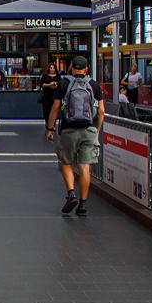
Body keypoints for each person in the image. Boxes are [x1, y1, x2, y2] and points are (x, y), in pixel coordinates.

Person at [46, 55, 105, 217]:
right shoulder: (94, 85)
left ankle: (71, 194)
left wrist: (50, 129)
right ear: (87, 69)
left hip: (69, 129)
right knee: (84, 167)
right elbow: (101, 111)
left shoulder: (64, 83)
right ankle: (83, 205)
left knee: (65, 162)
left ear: (71, 67)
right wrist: (96, 130)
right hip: (89, 130)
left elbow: (56, 107)